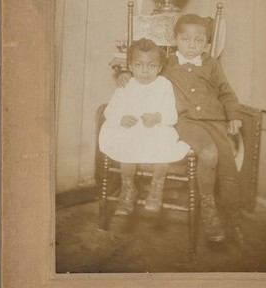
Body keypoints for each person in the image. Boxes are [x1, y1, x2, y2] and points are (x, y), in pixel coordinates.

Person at [118, 15, 243, 244]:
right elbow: (147, 73)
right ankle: (208, 207)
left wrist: (233, 116)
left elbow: (227, 93)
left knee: (228, 167)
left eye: (199, 40)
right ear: (175, 39)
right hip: (185, 122)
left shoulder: (211, 64)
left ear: (206, 42)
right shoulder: (167, 63)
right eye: (186, 39)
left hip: (215, 121)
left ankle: (234, 219)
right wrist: (127, 75)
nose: (192, 45)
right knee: (208, 154)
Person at [99, 38, 190, 216]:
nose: (145, 70)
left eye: (151, 65)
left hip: (156, 129)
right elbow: (110, 111)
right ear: (131, 66)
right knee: (126, 144)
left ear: (160, 67)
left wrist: (157, 117)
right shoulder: (126, 84)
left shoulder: (164, 85)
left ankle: (156, 188)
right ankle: (128, 188)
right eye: (139, 65)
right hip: (133, 130)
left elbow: (171, 115)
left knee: (164, 143)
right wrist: (121, 118)